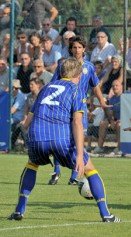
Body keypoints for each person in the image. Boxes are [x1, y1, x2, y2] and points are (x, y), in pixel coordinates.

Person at [7, 58, 121, 223]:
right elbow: (76, 122)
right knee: (90, 170)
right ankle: (106, 214)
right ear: (79, 74)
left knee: (32, 164)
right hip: (61, 138)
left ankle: (19, 210)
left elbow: (31, 115)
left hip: (37, 136)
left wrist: (26, 127)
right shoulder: (76, 90)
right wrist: (80, 154)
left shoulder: (45, 88)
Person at [49, 36, 108, 186]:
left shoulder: (89, 66)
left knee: (78, 141)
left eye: (79, 47)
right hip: (63, 106)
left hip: (79, 107)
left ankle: (74, 177)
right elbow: (54, 84)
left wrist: (102, 101)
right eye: (74, 47)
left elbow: (95, 86)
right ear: (71, 49)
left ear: (84, 49)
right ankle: (56, 171)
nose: (77, 50)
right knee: (59, 139)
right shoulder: (63, 64)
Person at [93, 80, 122, 155]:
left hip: (124, 121)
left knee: (119, 124)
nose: (115, 87)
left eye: (117, 85)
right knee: (102, 123)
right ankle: (100, 147)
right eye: (113, 86)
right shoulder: (112, 99)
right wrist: (112, 121)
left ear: (121, 86)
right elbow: (110, 113)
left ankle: (119, 148)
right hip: (115, 120)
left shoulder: (126, 96)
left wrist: (118, 121)